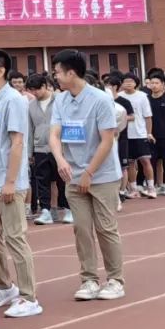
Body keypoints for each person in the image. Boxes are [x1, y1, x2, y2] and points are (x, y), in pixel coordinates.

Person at [46, 49, 126, 302]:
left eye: (57, 72)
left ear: (71, 73)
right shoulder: (60, 100)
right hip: (73, 174)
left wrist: (89, 172)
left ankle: (115, 279)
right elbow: (54, 134)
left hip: (102, 175)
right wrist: (60, 160)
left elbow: (107, 140)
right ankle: (89, 279)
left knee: (105, 228)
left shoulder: (100, 99)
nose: (55, 77)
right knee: (81, 229)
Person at [0, 48, 42, 318]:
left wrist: (11, 181)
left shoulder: (13, 100)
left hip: (8, 182)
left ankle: (29, 296)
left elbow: (17, 142)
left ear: (0, 70)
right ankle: (4, 286)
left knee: (15, 237)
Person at [28, 74, 71, 224]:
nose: (34, 93)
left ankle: (68, 209)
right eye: (31, 90)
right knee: (42, 181)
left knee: (63, 180)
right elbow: (30, 129)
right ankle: (46, 211)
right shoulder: (31, 105)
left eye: (36, 89)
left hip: (60, 148)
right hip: (40, 148)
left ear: (45, 86)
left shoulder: (60, 100)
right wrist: (29, 152)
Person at [145, 68, 165, 195]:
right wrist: (147, 133)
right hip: (151, 136)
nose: (154, 85)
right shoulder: (146, 100)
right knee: (151, 161)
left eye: (157, 83)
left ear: (162, 84)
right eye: (152, 83)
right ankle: (154, 185)